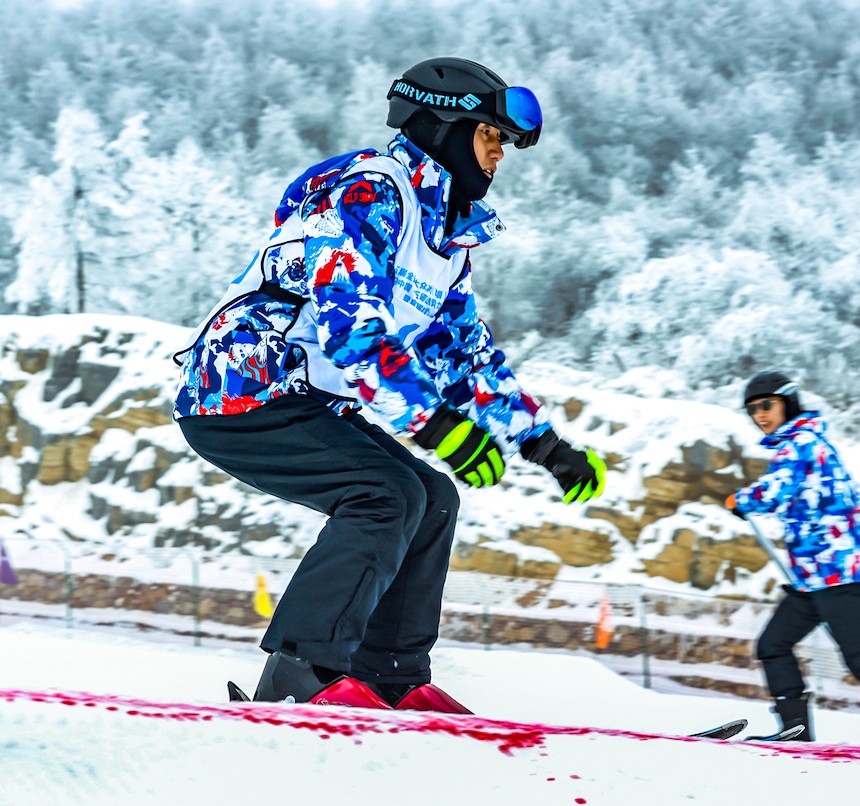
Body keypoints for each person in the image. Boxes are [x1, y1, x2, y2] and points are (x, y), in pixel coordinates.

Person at [171, 57, 606, 711]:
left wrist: (543, 446)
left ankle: (389, 678)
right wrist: (441, 428)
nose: (499, 155)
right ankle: (299, 675)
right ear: (445, 127)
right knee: (385, 495)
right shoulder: (368, 194)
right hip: (240, 389)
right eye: (491, 136)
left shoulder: (444, 238)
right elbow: (353, 330)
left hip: (310, 399)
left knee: (432, 498)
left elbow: (461, 354)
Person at [726, 370, 860, 748]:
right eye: (752, 410)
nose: (760, 415)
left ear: (788, 403)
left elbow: (775, 491)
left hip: (833, 574)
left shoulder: (800, 443)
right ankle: (795, 729)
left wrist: (741, 499)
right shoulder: (806, 443)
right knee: (773, 645)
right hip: (811, 579)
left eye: (767, 405)